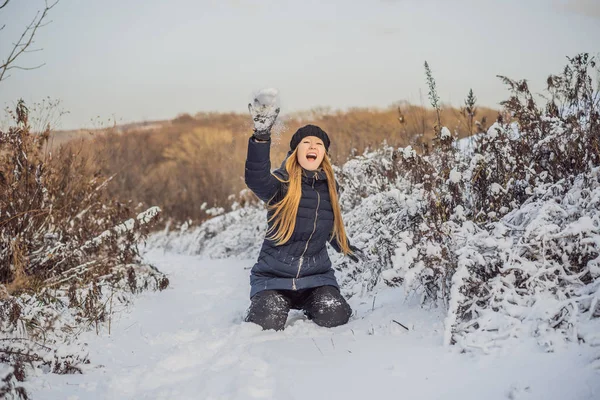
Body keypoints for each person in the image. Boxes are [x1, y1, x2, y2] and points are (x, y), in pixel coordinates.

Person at [243, 98, 364, 331]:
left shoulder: (329, 187)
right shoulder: (281, 185)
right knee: (266, 321)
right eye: (306, 142)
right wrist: (261, 137)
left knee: (336, 315)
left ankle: (310, 305)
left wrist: (345, 247)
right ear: (295, 151)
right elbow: (256, 178)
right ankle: (272, 303)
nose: (312, 147)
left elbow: (327, 225)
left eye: (318, 144)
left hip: (315, 279)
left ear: (324, 153)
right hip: (273, 278)